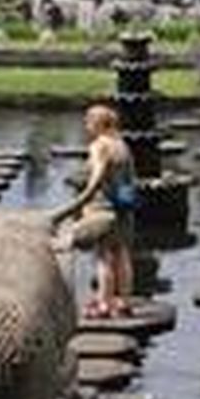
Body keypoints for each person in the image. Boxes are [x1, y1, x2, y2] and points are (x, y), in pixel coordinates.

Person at [51, 105, 137, 319]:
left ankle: (104, 305)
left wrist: (84, 197)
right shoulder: (122, 144)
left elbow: (98, 175)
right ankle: (124, 302)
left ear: (98, 123)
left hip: (102, 208)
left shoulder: (100, 145)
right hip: (124, 207)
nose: (86, 126)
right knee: (122, 253)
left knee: (104, 257)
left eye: (88, 122)